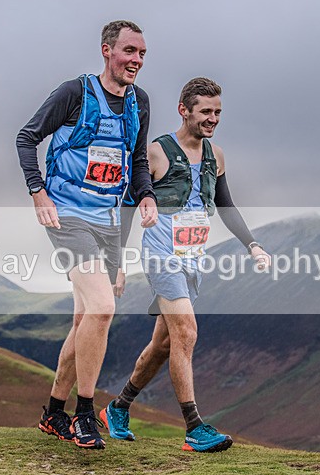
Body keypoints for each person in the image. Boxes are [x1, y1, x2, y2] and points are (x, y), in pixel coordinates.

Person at [100, 77, 271, 452]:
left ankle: (117, 407)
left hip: (192, 260)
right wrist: (118, 262)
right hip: (161, 256)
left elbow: (226, 206)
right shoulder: (157, 152)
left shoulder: (216, 156)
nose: (213, 119)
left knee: (163, 345)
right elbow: (130, 207)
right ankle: (194, 427)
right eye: (206, 112)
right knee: (188, 333)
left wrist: (253, 245)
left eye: (218, 112)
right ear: (184, 110)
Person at [16, 20, 158, 449]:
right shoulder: (74, 93)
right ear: (106, 50)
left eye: (142, 54)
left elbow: (136, 159)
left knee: (85, 321)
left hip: (108, 221)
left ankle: (52, 413)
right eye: (129, 51)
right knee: (100, 308)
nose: (135, 60)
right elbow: (26, 138)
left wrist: (146, 195)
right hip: (68, 216)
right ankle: (83, 414)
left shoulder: (140, 102)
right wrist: (38, 191)